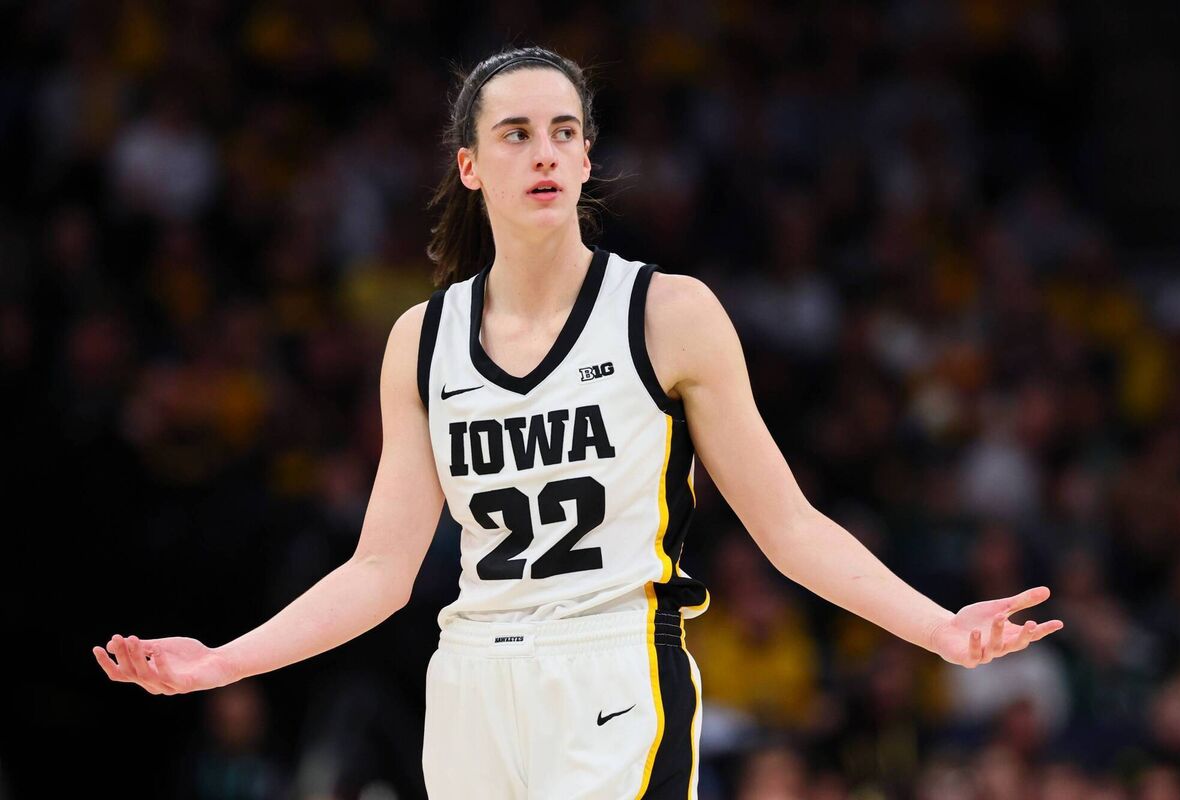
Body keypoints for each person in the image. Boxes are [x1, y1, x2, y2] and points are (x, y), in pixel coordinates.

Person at [93, 45, 1065, 799]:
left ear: (589, 157)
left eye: (563, 130)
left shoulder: (668, 313)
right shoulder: (420, 340)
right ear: (470, 165)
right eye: (515, 133)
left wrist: (936, 626)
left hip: (612, 671)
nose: (544, 149)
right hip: (470, 679)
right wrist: (222, 660)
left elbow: (789, 526)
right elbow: (380, 572)